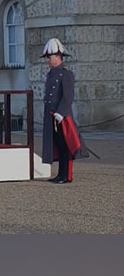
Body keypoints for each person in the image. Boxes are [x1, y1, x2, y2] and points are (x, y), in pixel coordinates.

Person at [41, 38, 89, 184]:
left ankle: (66, 175)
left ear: (58, 57)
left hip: (62, 116)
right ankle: (60, 174)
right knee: (57, 145)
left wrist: (61, 113)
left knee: (65, 145)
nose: (48, 60)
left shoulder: (65, 74)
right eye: (48, 58)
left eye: (50, 57)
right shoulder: (51, 74)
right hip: (51, 116)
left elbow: (68, 96)